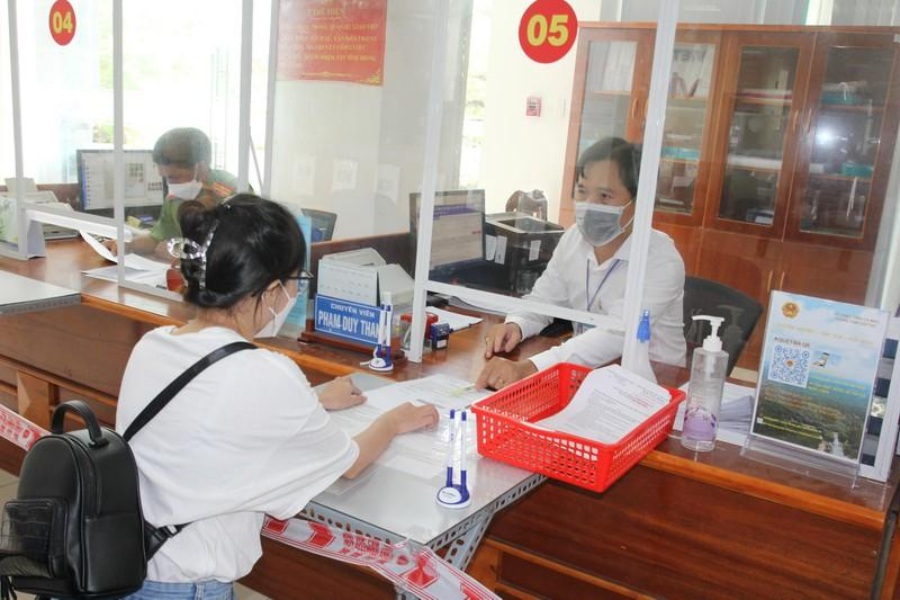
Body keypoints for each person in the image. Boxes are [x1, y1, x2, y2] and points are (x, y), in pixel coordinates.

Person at [115, 193, 438, 599]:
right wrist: (392, 421)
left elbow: (211, 412)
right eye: (293, 283)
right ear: (269, 291)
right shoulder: (264, 371)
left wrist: (314, 398)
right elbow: (350, 463)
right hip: (186, 587)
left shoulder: (153, 345)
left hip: (124, 568)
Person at [476, 137, 686, 390]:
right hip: (585, 377)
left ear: (639, 203)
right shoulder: (575, 238)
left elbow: (616, 334)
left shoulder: (661, 259)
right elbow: (545, 299)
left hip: (648, 387)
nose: (590, 205)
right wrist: (516, 324)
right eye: (583, 191)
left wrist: (531, 367)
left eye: (605, 195)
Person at [105, 127, 237, 260]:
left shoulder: (232, 193)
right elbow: (156, 237)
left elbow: (239, 251)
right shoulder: (175, 198)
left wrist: (182, 254)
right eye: (165, 177)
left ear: (201, 167)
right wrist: (128, 246)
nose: (171, 185)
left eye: (174, 177)